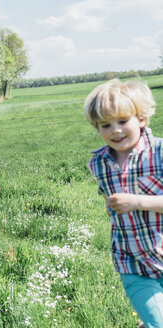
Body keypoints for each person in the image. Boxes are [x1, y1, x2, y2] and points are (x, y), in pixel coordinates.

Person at [85, 79, 162, 328]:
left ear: (141, 119)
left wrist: (136, 201)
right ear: (97, 128)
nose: (115, 130)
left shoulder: (160, 153)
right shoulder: (98, 163)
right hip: (132, 262)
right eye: (106, 125)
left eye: (122, 121)